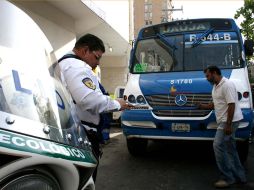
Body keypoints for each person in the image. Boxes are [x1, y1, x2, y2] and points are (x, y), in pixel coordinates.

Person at [55, 33, 132, 182]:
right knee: (84, 182)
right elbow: (88, 100)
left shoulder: (65, 64)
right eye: (96, 57)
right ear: (85, 51)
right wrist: (117, 104)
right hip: (82, 137)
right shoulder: (76, 66)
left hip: (73, 133)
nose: (98, 63)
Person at [198, 66, 247, 188]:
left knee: (218, 145)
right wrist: (202, 106)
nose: (207, 78)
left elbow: (231, 105)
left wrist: (229, 124)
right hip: (224, 121)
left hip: (228, 121)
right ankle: (240, 177)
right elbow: (216, 104)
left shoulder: (227, 84)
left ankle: (228, 178)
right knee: (231, 149)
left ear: (215, 73)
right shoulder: (216, 87)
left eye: (208, 76)